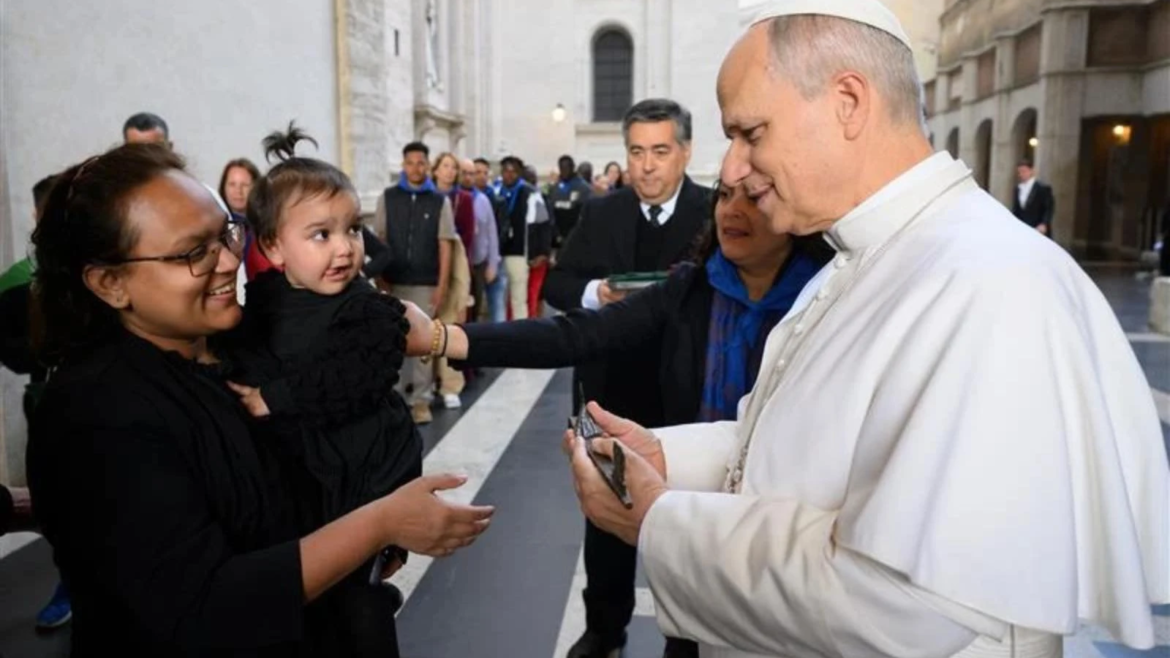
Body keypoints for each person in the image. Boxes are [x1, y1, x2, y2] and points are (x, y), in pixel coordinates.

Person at [565, 3, 1170, 658]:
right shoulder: (862, 256)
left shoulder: (991, 282)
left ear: (848, 103)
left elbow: (908, 605)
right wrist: (663, 457)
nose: (733, 169)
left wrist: (659, 521)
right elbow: (793, 444)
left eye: (751, 133)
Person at [27, 143, 493, 656]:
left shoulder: (236, 341)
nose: (230, 261)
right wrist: (379, 523)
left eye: (226, 234)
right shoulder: (99, 412)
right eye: (193, 252)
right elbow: (205, 607)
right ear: (110, 282)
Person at [222, 125, 431, 655]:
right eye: (321, 235)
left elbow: (354, 375)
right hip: (305, 490)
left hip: (363, 480)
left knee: (359, 616)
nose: (344, 248)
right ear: (273, 245)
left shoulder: (368, 310)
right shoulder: (261, 305)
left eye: (352, 229)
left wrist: (274, 399)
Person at [542, 98, 710, 658]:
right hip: (608, 393)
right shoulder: (601, 212)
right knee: (605, 520)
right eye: (637, 152)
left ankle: (685, 641)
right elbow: (558, 284)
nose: (647, 165)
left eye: (660, 151)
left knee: (687, 527)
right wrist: (597, 293)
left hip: (686, 401)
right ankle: (604, 630)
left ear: (685, 152)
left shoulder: (716, 212)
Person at [0, 174, 74, 633]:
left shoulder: (100, 267)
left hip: (106, 401)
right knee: (64, 502)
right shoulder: (17, 280)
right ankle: (69, 583)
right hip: (48, 401)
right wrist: (44, 351)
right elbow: (9, 349)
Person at [371, 141, 457, 425]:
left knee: (423, 341)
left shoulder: (439, 201)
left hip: (425, 283)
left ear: (427, 165)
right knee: (392, 340)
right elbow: (379, 238)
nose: (416, 168)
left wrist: (441, 286)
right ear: (403, 165)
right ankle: (395, 397)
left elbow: (445, 245)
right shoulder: (388, 197)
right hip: (393, 281)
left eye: (421, 163)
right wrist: (380, 278)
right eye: (410, 163)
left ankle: (421, 399)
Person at [432, 152, 475, 408]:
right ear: (436, 169)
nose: (450, 171)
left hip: (457, 263)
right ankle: (428, 383)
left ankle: (450, 385)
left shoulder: (464, 199)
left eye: (453, 167)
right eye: (445, 166)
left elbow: (468, 238)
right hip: (428, 266)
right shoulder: (427, 197)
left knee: (451, 324)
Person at [497, 156, 549, 321]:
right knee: (498, 300)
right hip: (496, 252)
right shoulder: (495, 190)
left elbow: (542, 222)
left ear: (520, 173)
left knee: (519, 299)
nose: (509, 175)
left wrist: (541, 251)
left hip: (519, 252)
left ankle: (520, 331)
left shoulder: (530, 193)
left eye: (513, 171)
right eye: (506, 171)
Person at [217, 158, 276, 281]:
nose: (238, 191)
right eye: (232, 184)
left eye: (245, 185)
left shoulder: (270, 223)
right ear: (223, 187)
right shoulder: (215, 226)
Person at [460, 158, 502, 323]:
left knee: (475, 307)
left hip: (478, 264)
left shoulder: (482, 200)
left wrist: (493, 264)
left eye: (472, 174)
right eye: (465, 173)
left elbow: (491, 233)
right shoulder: (452, 198)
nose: (468, 177)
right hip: (458, 262)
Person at [522, 164, 554, 318]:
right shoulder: (515, 198)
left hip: (538, 256)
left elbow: (547, 227)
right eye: (528, 178)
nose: (531, 182)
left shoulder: (542, 199)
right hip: (519, 255)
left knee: (534, 295)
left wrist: (544, 254)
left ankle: (533, 323)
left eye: (533, 178)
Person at [548, 155, 593, 249]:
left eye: (567, 167)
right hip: (558, 238)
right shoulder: (554, 188)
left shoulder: (584, 188)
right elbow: (550, 212)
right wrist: (555, 233)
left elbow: (586, 214)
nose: (564, 171)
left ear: (573, 167)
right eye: (562, 168)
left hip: (577, 238)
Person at [1011, 158, 1054, 236]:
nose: (1021, 174)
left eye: (1024, 171)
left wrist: (1044, 223)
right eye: (1019, 172)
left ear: (1031, 171)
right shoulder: (1017, 189)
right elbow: (1016, 210)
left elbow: (1048, 208)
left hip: (1038, 228)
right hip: (1022, 229)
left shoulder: (1042, 188)